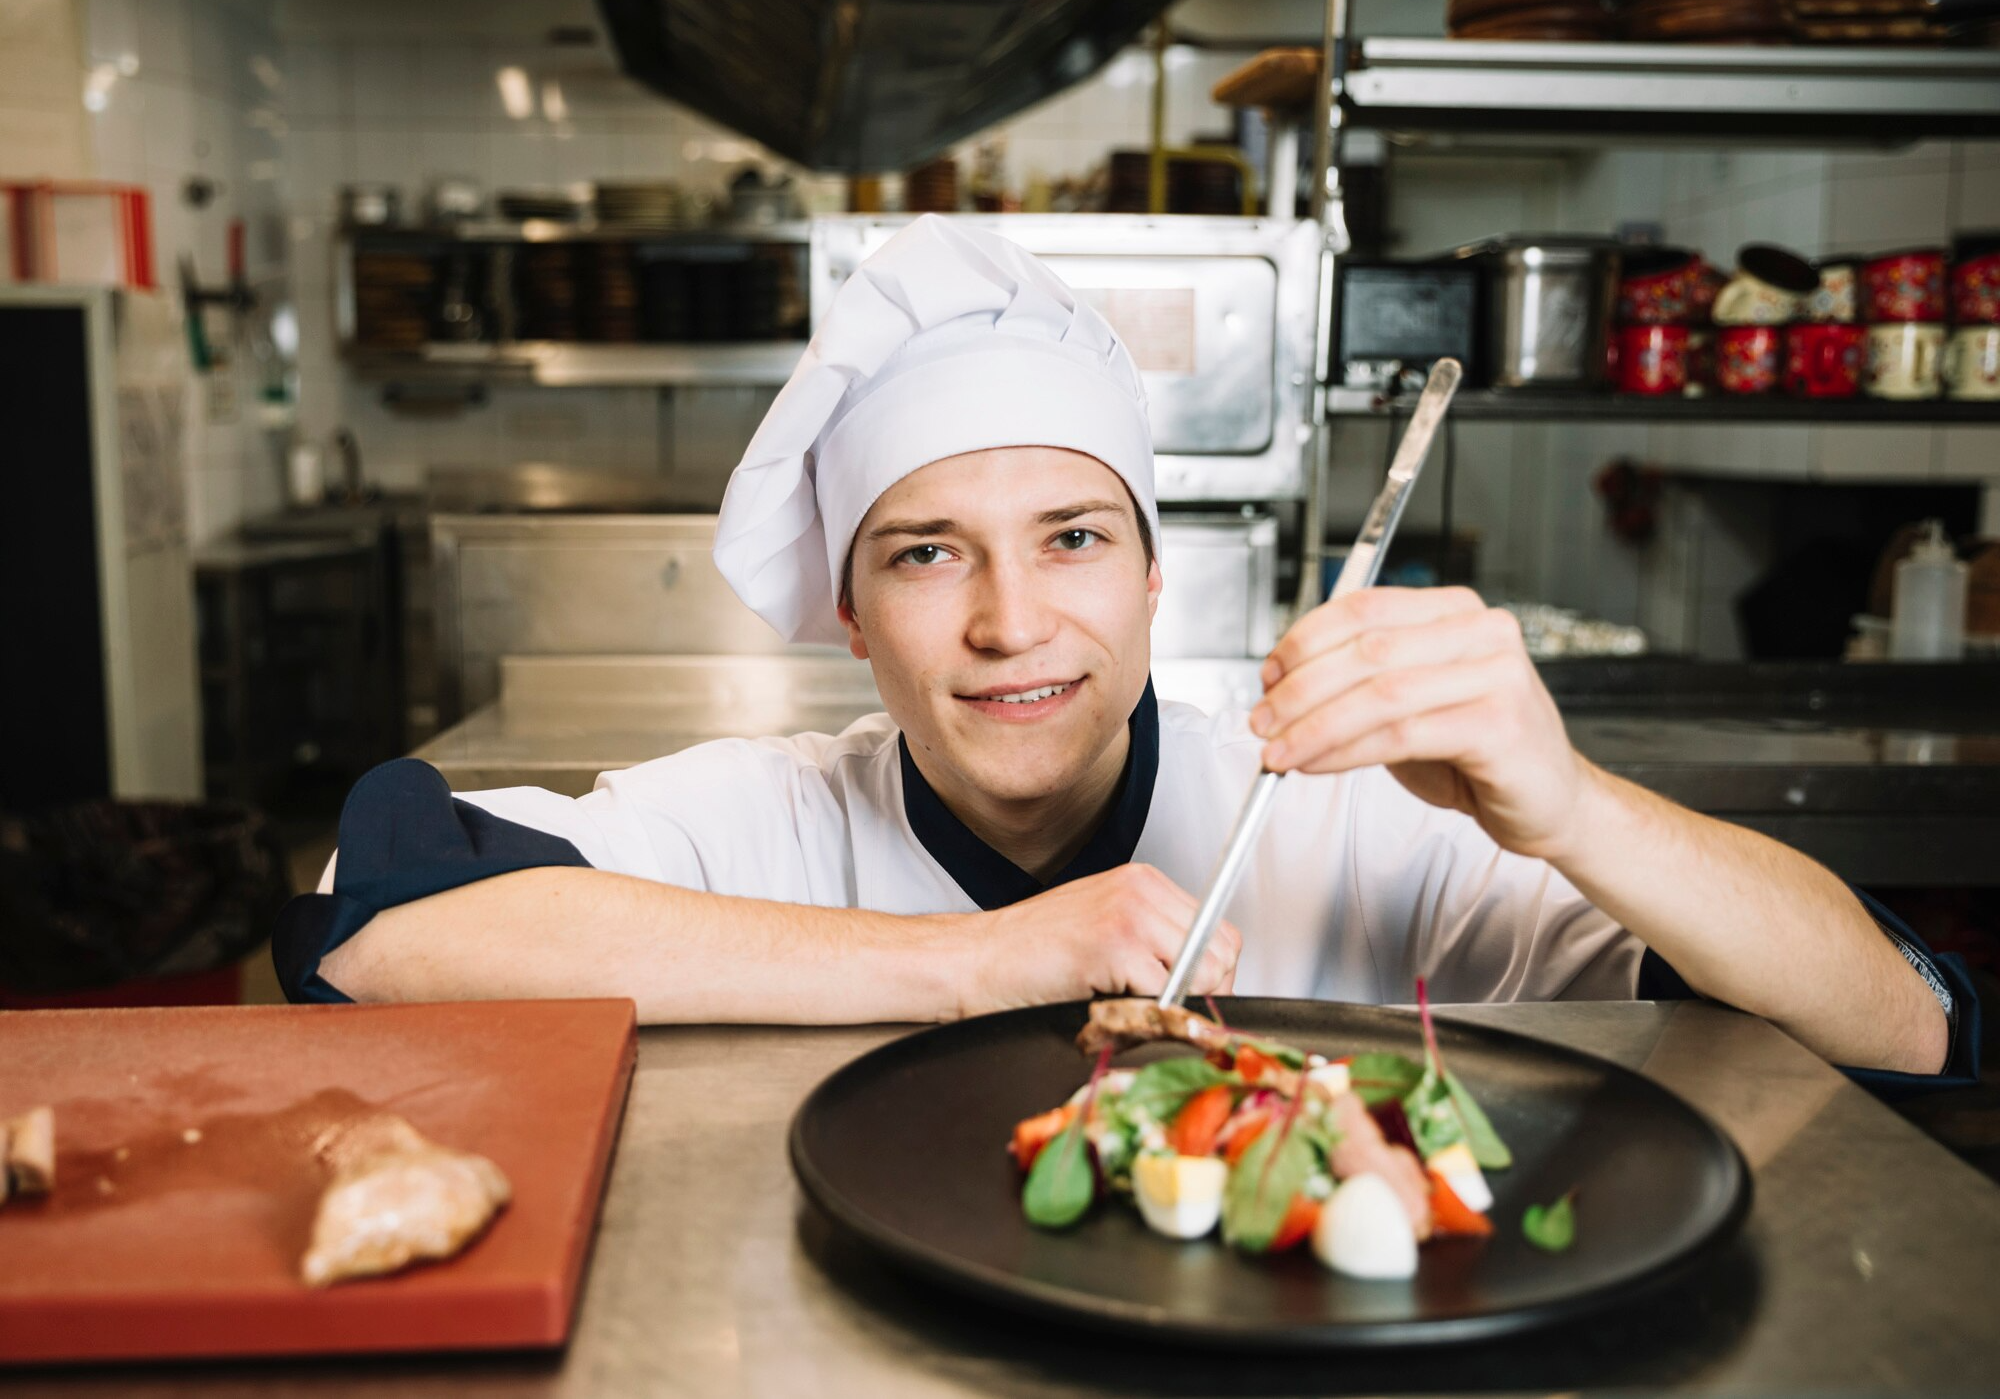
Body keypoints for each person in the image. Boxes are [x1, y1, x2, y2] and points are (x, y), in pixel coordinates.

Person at [274, 216, 1977, 1092]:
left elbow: (1911, 1024)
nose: (1012, 624)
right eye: (929, 555)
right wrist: (985, 958)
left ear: (1160, 580)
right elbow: (376, 925)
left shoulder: (1348, 824)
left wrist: (1572, 807)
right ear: (853, 614)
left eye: (1073, 540)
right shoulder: (763, 824)